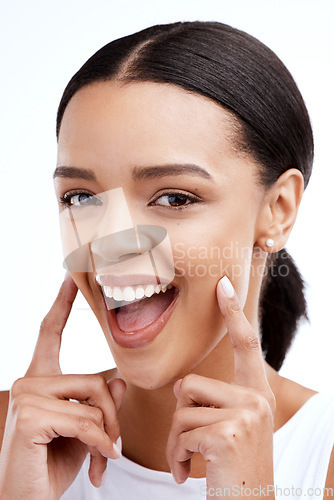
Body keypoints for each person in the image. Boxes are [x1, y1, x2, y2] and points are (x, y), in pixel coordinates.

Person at [0, 20, 334, 499]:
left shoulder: (325, 461)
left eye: (174, 198)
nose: (109, 244)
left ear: (277, 211)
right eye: (80, 199)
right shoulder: (13, 438)